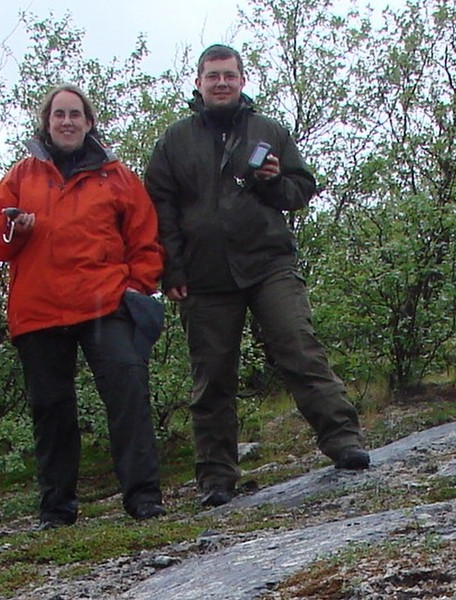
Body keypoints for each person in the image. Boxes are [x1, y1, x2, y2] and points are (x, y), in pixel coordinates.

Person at [144, 45, 370, 508]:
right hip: (204, 276)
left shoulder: (270, 131)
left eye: (229, 75)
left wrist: (271, 181)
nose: (221, 83)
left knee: (299, 349)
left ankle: (345, 442)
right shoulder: (174, 140)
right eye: (213, 76)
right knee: (212, 377)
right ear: (198, 82)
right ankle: (216, 480)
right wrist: (171, 269)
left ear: (243, 80)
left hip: (269, 263)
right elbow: (159, 210)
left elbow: (301, 191)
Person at [0, 84, 166, 528]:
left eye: (75, 114)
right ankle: (56, 509)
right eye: (58, 114)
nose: (66, 122)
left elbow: (146, 239)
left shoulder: (117, 175)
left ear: (89, 122)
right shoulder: (21, 176)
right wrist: (15, 230)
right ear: (46, 122)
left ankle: (144, 498)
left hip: (105, 304)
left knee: (128, 396)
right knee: (51, 412)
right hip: (39, 312)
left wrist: (136, 289)